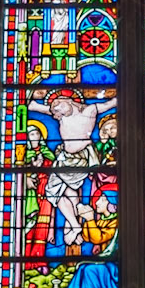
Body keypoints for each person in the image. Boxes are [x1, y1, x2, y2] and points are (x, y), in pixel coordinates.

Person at [27, 86, 115, 254]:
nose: (55, 113)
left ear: (67, 101)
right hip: (64, 158)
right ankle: (74, 225)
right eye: (54, 110)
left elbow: (109, 104)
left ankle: (73, 225)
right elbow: (36, 107)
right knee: (68, 193)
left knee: (55, 192)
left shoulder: (89, 110)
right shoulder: (61, 115)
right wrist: (24, 96)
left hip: (80, 158)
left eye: (57, 107)